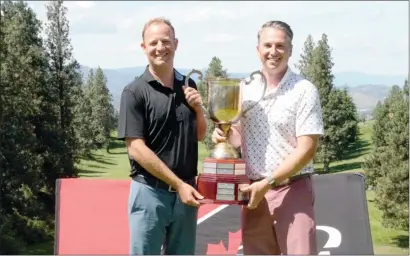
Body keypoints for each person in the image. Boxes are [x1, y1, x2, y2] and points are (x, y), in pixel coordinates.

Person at [212, 20, 324, 255]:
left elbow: (307, 149)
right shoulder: (245, 87)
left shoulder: (304, 90)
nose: (273, 52)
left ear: (290, 50)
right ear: (258, 50)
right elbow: (239, 138)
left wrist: (269, 182)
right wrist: (224, 133)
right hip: (253, 195)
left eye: (280, 46)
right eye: (268, 45)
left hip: (292, 190)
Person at [117, 17, 207, 255]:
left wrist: (198, 110)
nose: (160, 48)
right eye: (153, 42)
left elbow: (199, 135)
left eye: (165, 41)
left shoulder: (189, 85)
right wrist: (177, 185)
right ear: (143, 47)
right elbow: (135, 147)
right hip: (150, 194)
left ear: (175, 44)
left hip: (186, 195)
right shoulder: (134, 92)